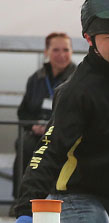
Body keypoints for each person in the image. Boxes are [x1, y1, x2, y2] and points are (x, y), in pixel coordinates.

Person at [10, 0, 109, 223]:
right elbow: (49, 151)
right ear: (90, 40)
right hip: (79, 194)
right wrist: (26, 209)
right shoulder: (76, 92)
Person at [11, 32, 77, 213]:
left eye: (66, 50)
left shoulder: (77, 77)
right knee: (24, 144)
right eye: (56, 50)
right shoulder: (36, 78)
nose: (61, 54)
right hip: (35, 133)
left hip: (62, 133)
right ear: (46, 52)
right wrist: (32, 126)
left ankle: (53, 203)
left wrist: (51, 126)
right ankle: (21, 201)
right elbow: (23, 111)